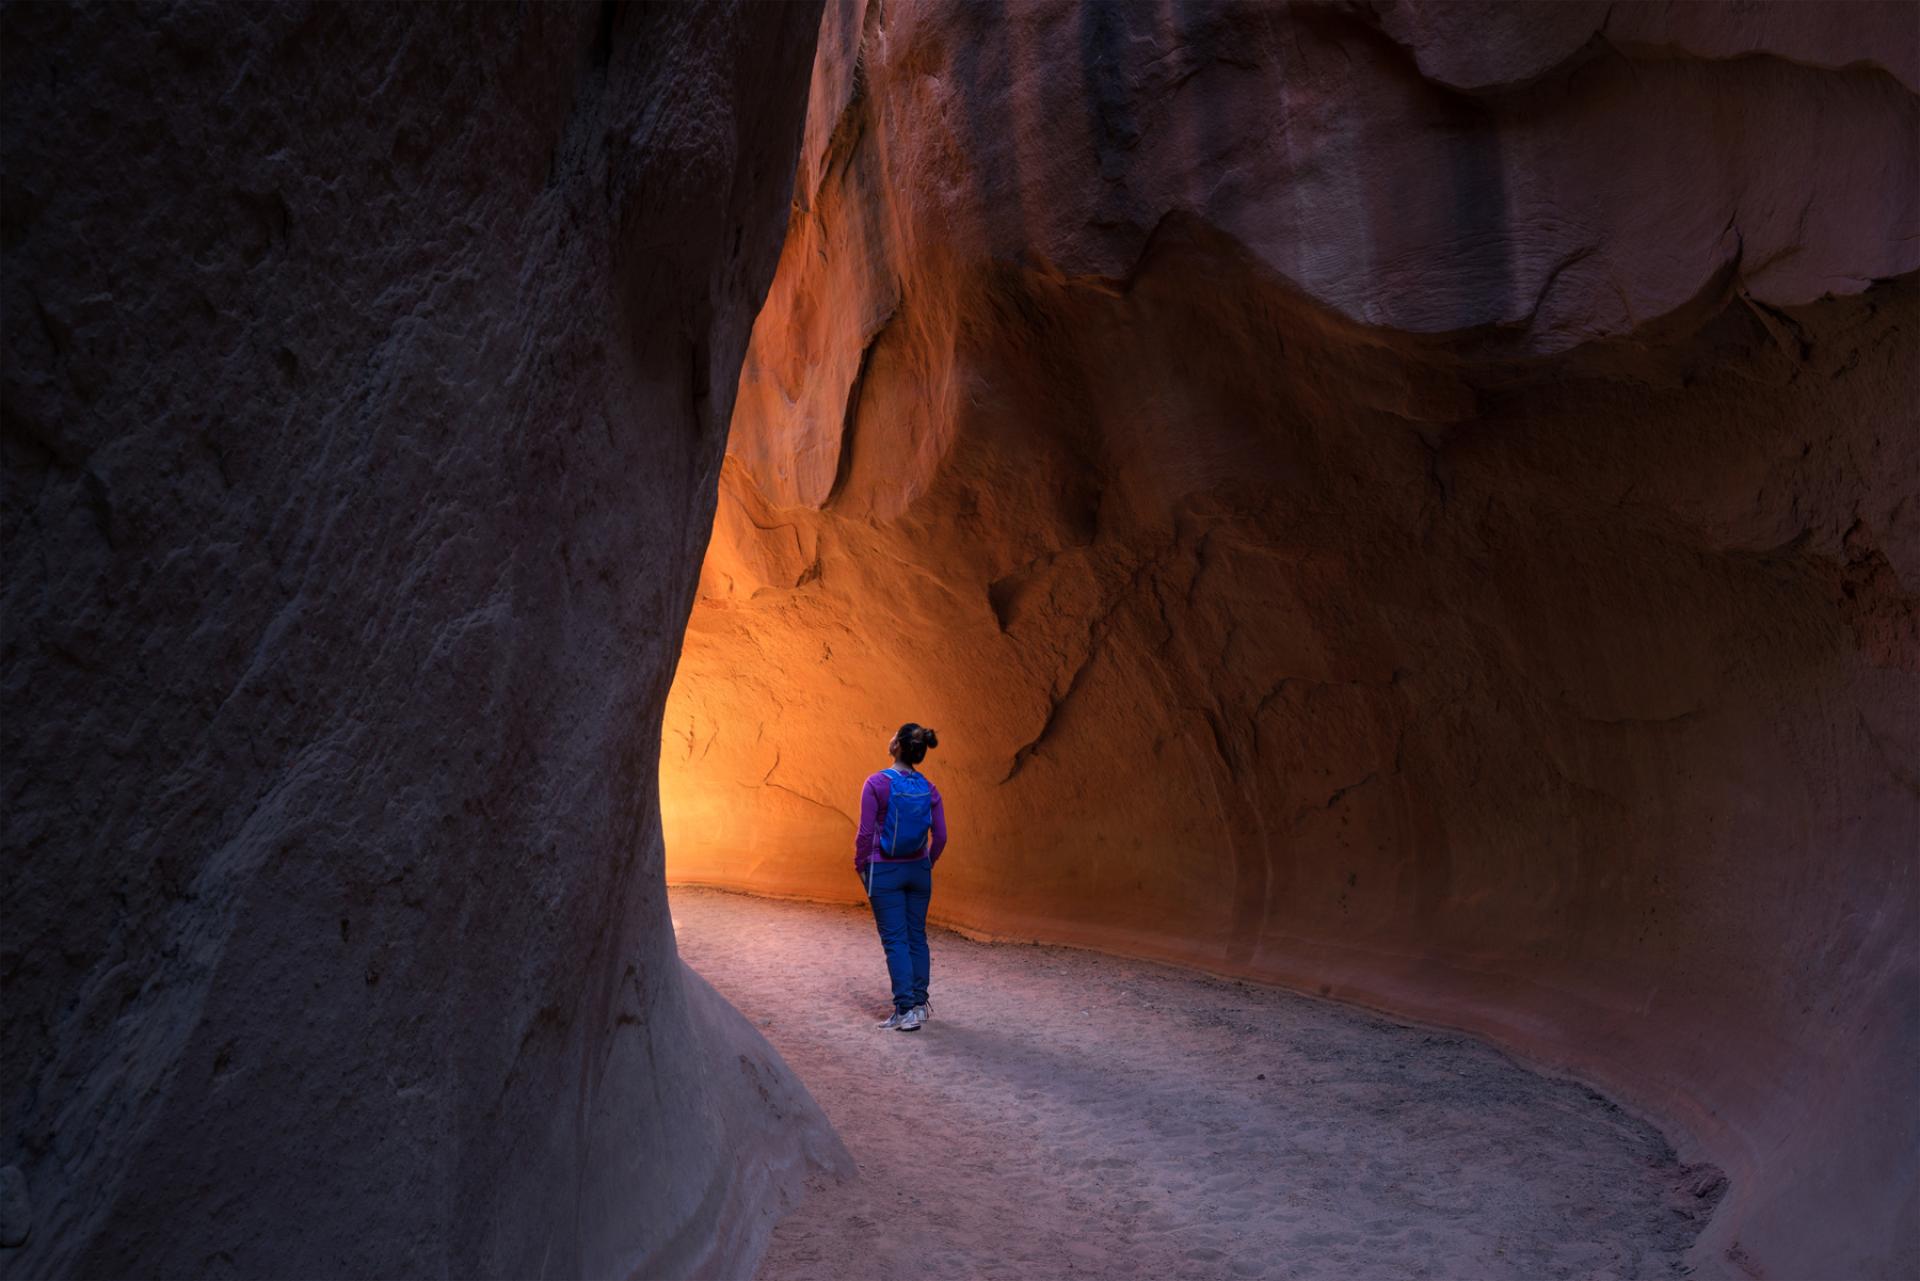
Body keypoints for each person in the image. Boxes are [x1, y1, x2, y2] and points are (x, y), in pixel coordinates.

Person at [854, 722, 946, 1031]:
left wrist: (861, 866)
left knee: (895, 939)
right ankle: (918, 1005)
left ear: (898, 746)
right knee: (916, 936)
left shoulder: (876, 783)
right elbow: (941, 836)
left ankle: (904, 1010)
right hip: (918, 870)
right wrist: (926, 863)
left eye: (894, 735)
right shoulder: (929, 788)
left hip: (885, 869)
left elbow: (865, 833)